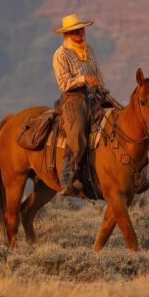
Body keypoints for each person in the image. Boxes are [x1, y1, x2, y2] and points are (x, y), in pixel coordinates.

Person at [51, 13, 109, 196]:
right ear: (66, 35)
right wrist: (84, 79)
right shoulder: (60, 55)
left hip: (94, 96)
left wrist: (104, 92)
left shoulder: (89, 50)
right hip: (73, 99)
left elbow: (97, 74)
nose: (80, 33)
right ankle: (67, 178)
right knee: (77, 134)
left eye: (81, 30)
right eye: (75, 31)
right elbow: (63, 83)